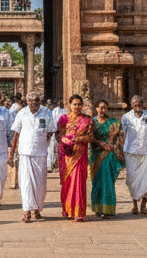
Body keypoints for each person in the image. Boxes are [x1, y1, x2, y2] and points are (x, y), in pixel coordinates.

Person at [9, 91, 54, 223]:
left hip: (40, 153)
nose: (33, 102)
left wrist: (43, 143)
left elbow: (50, 132)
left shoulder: (46, 113)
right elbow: (16, 134)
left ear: (40, 101)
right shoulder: (22, 113)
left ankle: (37, 209)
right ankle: (27, 210)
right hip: (25, 153)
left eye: (36, 100)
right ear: (26, 101)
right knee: (26, 183)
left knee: (40, 184)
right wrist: (12, 152)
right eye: (30, 100)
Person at [121, 94, 147, 215]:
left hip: (146, 153)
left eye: (139, 105)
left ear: (142, 104)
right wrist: (119, 150)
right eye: (135, 105)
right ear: (131, 105)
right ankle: (134, 204)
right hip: (131, 153)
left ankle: (143, 205)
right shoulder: (126, 117)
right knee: (132, 181)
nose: (138, 107)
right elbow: (122, 134)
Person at [57, 94, 94, 222]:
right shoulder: (63, 118)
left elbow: (90, 137)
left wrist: (77, 139)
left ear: (82, 105)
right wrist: (65, 140)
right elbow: (59, 134)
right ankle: (67, 210)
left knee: (78, 181)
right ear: (70, 105)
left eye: (79, 104)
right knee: (68, 182)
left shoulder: (88, 120)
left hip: (80, 154)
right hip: (67, 155)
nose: (77, 107)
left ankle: (78, 212)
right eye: (74, 104)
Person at [89, 99, 124, 217]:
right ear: (96, 108)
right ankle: (98, 208)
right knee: (97, 182)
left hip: (109, 154)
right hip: (96, 154)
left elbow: (121, 138)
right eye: (100, 107)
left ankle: (108, 209)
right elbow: (89, 138)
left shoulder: (114, 122)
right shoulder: (91, 122)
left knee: (108, 181)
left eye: (104, 107)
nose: (102, 110)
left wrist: (114, 146)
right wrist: (100, 143)